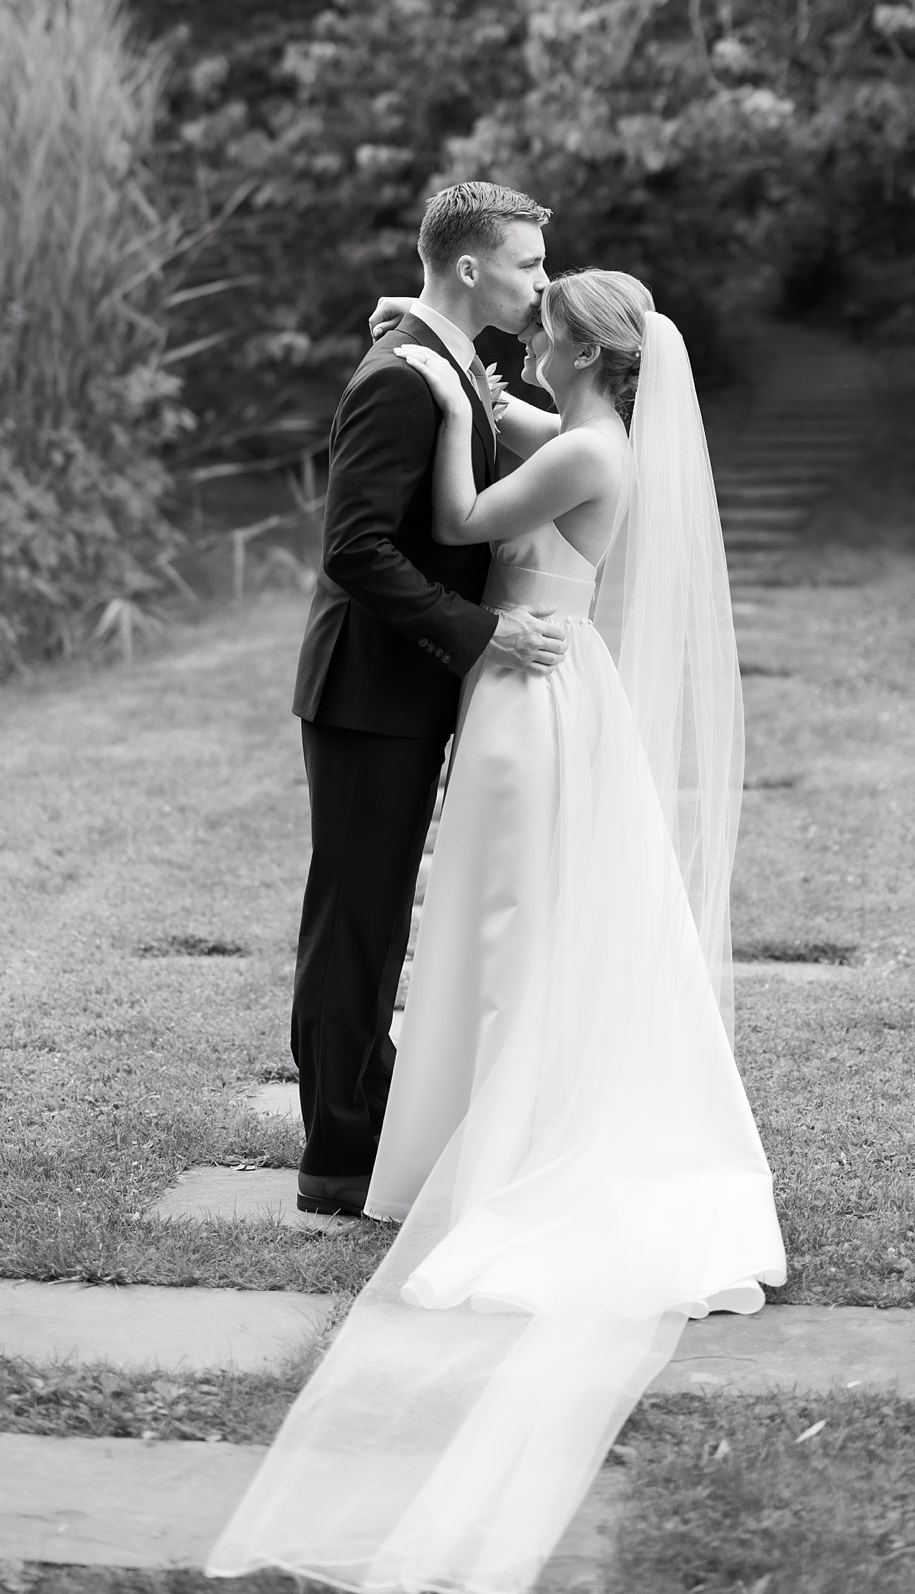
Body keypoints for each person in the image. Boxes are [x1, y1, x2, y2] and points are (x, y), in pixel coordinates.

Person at [208, 265, 787, 1592]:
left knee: (506, 915)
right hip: (537, 684)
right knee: (498, 913)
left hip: (531, 691)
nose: (528, 318)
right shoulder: (584, 426)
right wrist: (444, 366)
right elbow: (503, 410)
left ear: (579, 347)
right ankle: (469, 1113)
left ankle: (505, 1137)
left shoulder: (580, 442)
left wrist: (444, 388)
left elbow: (466, 504)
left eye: (546, 312)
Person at [286, 182, 569, 1218]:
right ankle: (335, 1156)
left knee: (375, 915)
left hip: (410, 690)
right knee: (355, 920)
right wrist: (484, 630)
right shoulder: (401, 381)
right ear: (466, 267)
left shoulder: (445, 362)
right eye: (528, 263)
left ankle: (370, 1103)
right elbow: (354, 550)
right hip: (368, 693)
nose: (542, 280)